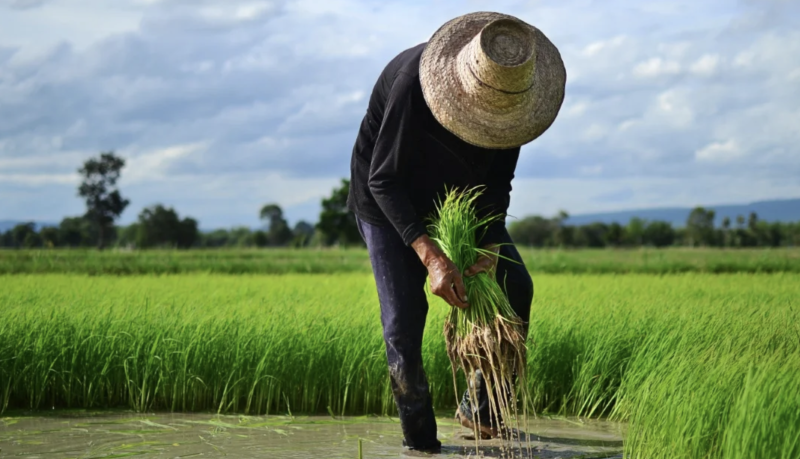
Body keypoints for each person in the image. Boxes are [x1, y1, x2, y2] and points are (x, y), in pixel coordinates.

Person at [346, 11, 566, 452]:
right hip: (390, 202)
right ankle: (421, 442)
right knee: (403, 325)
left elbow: (497, 186)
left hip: (461, 209)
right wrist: (432, 257)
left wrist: (487, 243)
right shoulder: (414, 84)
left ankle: (480, 410)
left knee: (515, 286)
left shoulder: (515, 103)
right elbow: (382, 179)